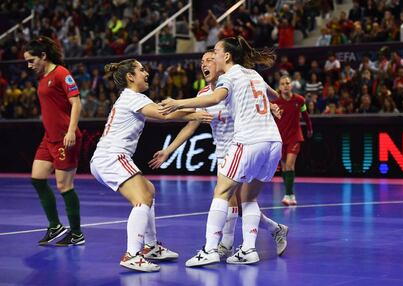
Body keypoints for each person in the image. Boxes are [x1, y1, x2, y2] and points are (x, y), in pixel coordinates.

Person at [159, 36, 288, 266]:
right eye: (203, 61)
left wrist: (178, 102)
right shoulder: (253, 74)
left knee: (223, 195)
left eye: (213, 55)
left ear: (225, 57)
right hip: (271, 142)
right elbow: (272, 95)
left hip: (245, 144)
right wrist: (272, 106)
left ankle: (212, 248)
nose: (208, 61)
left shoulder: (228, 79)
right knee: (246, 199)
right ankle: (248, 246)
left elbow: (217, 97)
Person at [90, 59, 212, 272]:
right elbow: (164, 114)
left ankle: (151, 247)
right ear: (130, 77)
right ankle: (132, 254)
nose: (147, 73)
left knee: (149, 190)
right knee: (142, 199)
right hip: (111, 156)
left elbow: (164, 115)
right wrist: (194, 113)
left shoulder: (134, 99)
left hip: (111, 157)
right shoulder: (131, 97)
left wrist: (191, 112)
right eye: (142, 70)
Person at [23, 36, 85, 246]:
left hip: (65, 138)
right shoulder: (42, 77)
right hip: (48, 138)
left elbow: (76, 103)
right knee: (37, 179)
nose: (29, 65)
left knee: (64, 186)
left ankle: (76, 234)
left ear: (43, 56)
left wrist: (70, 131)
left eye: (32, 60)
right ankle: (55, 226)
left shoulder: (61, 73)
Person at [270, 75, 313, 206]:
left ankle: (290, 195)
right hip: (280, 138)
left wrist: (309, 129)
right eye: (282, 84)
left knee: (289, 165)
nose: (285, 85)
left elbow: (305, 115)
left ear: (291, 85)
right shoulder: (275, 102)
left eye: (287, 83)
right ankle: (289, 194)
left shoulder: (300, 100)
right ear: (279, 87)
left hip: (295, 137)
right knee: (284, 168)